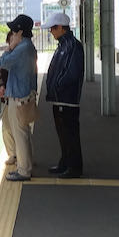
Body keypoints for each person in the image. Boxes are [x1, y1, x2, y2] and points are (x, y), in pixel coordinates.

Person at [0, 14, 38, 182]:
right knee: (24, 132)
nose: (12, 33)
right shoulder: (29, 47)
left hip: (19, 96)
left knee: (20, 134)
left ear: (20, 31)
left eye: (14, 30)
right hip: (25, 94)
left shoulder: (21, 48)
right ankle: (26, 164)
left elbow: (4, 62)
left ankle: (23, 170)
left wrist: (10, 47)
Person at [43, 12, 84, 178]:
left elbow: (72, 73)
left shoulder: (73, 46)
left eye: (53, 28)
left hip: (68, 99)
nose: (51, 32)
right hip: (59, 98)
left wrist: (57, 86)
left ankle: (74, 167)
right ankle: (65, 162)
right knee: (63, 133)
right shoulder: (63, 45)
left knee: (70, 133)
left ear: (61, 27)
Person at [0, 65, 16, 168]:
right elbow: (0, 75)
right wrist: (1, 86)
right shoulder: (6, 57)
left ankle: (24, 155)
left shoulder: (23, 54)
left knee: (20, 128)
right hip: (6, 99)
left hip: (18, 98)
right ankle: (12, 154)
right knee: (7, 128)